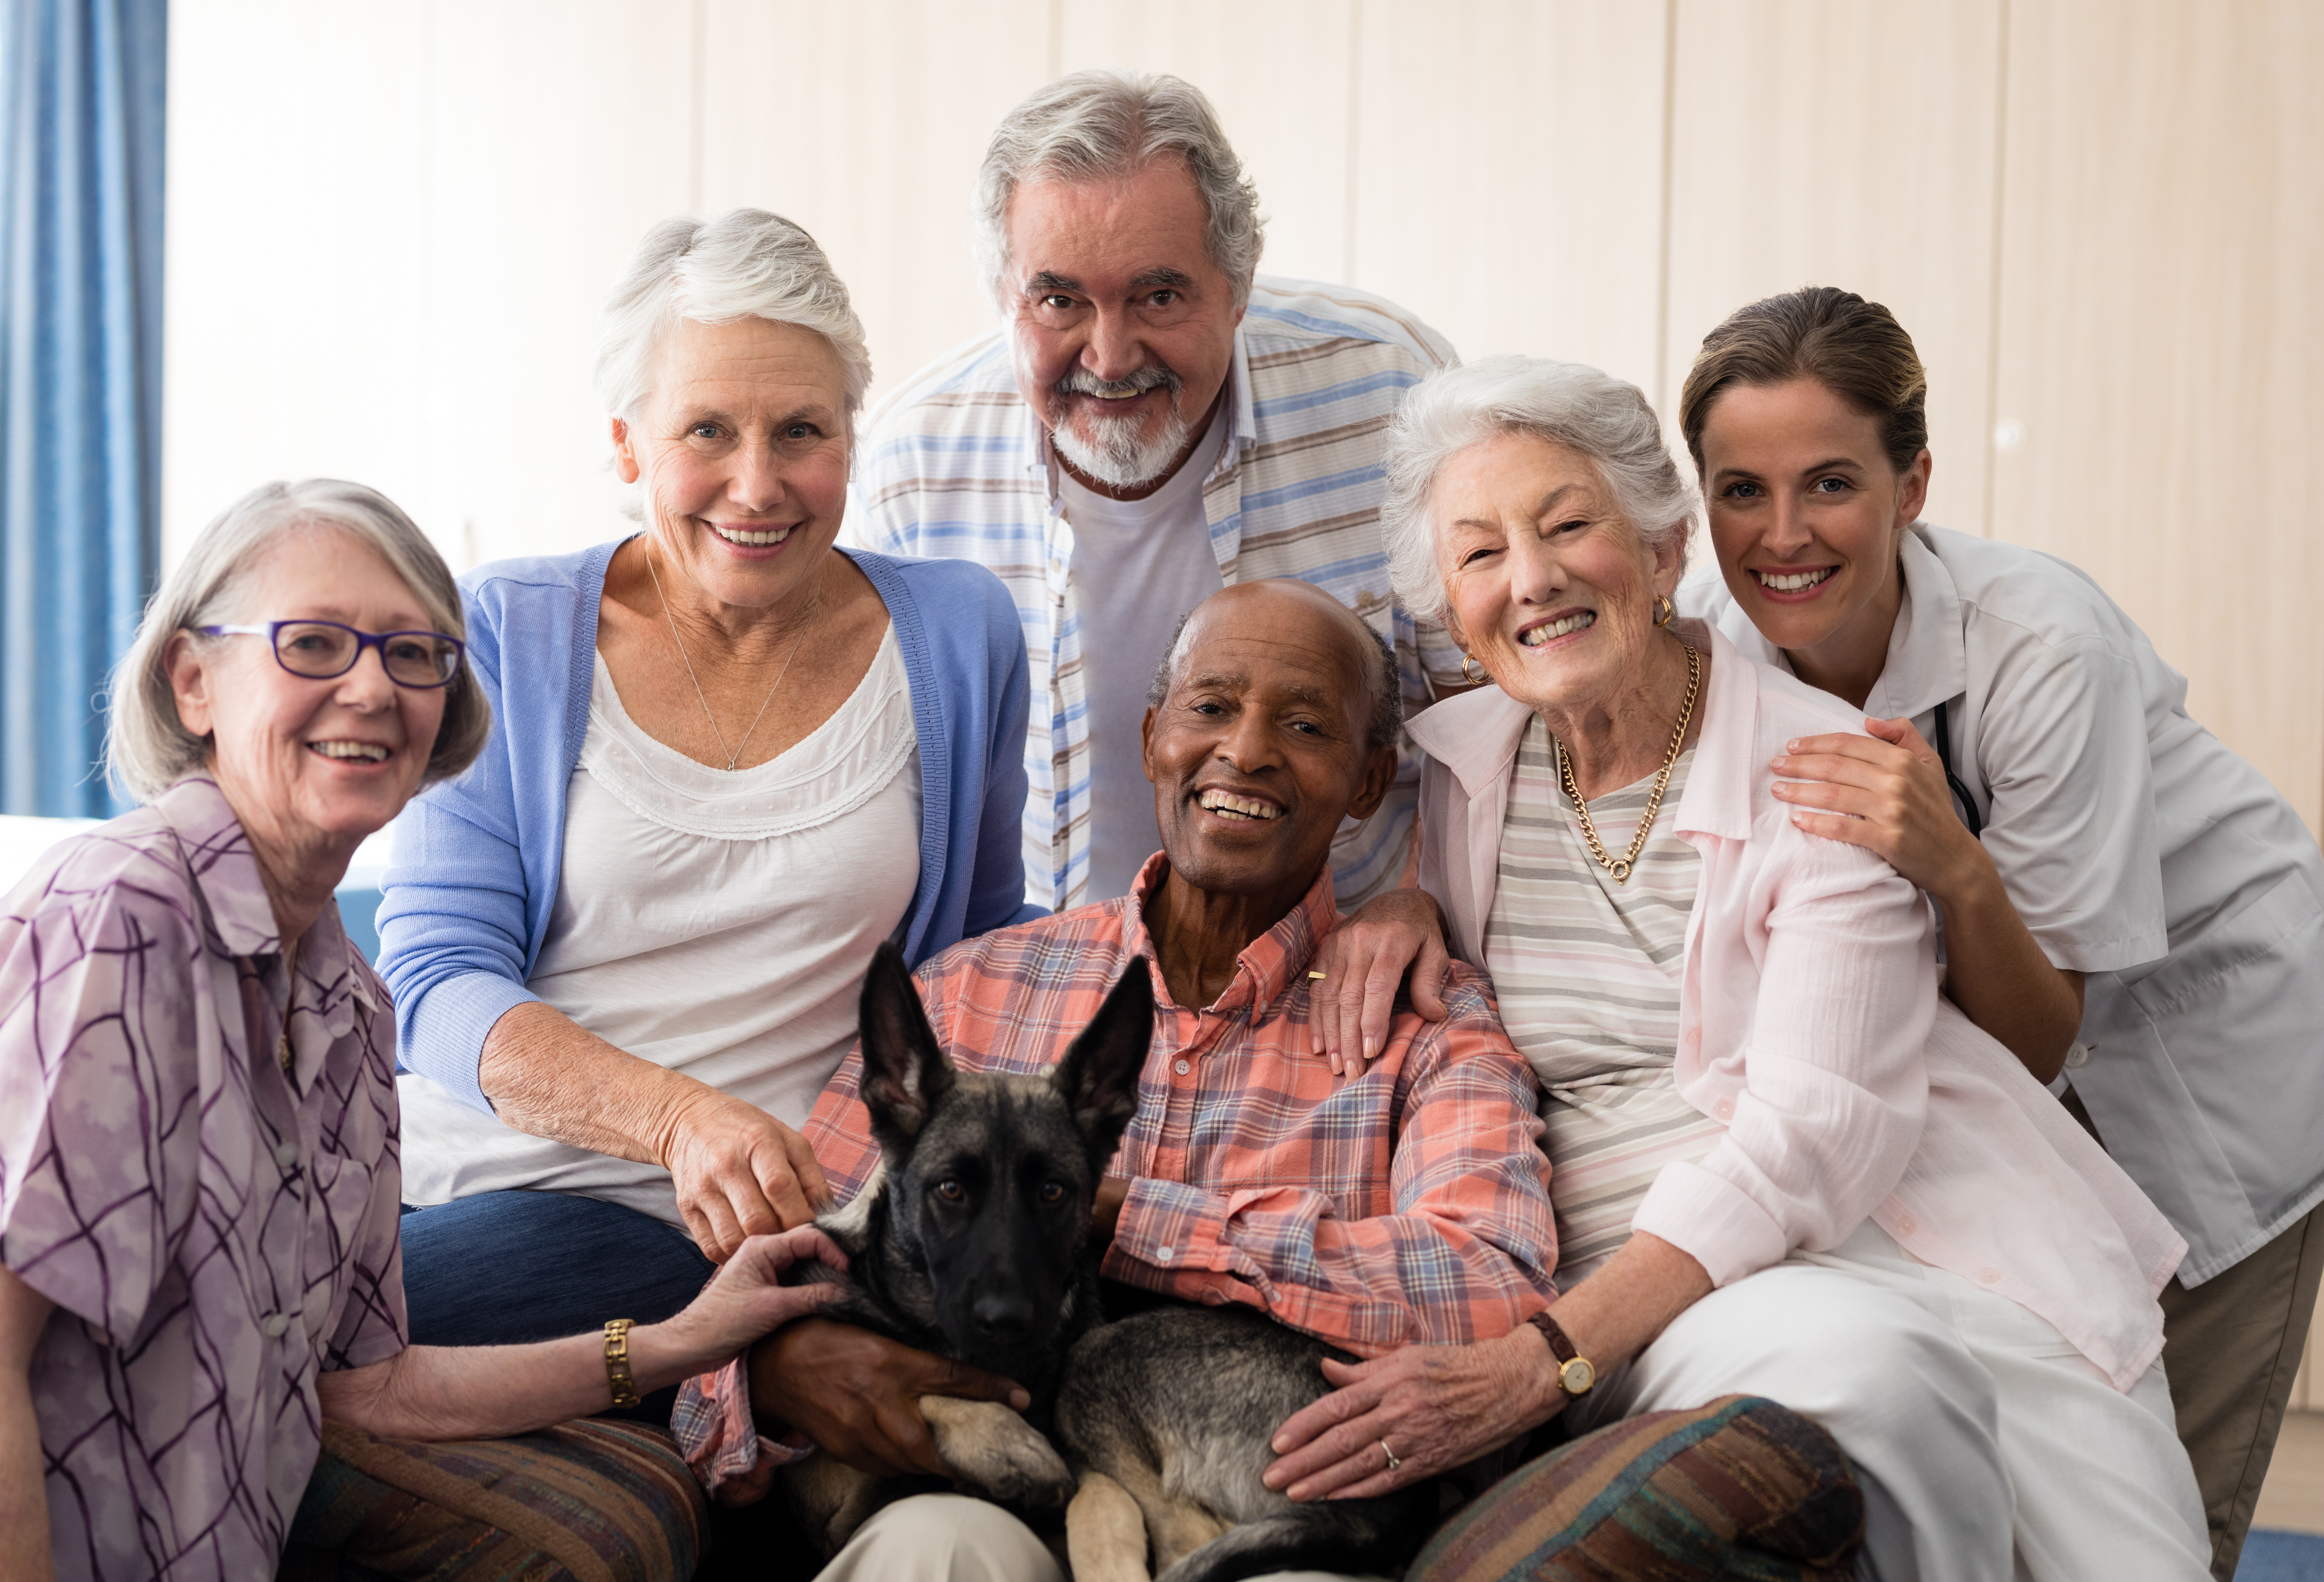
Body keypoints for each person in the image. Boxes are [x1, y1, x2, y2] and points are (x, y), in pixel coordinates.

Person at [1261, 358, 2212, 1581]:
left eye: (1567, 527)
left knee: (2090, 1528)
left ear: (1662, 552)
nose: (1534, 578)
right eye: (1482, 553)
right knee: (1871, 1368)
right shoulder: (1457, 772)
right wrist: (1406, 904)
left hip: (1895, 1228)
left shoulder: (1823, 771)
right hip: (1642, 1274)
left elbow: (1810, 1140)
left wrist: (1538, 1360)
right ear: (1452, 613)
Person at [0, 479, 846, 1582]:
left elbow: (373, 1389)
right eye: (312, 644)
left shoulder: (353, 1007)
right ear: (195, 680)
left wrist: (688, 1340)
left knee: (629, 1517)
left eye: (414, 656)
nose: (371, 687)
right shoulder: (122, 916)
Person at [1666, 285, 2324, 1578]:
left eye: (1829, 484)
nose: (1781, 537)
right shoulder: (1713, 646)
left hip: (2195, 1052)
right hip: (1973, 1082)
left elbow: (2050, 1035)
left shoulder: (2041, 644)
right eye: (1738, 491)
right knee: (2007, 1472)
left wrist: (1958, 870)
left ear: (1914, 483)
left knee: (2158, 1489)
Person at [673, 579, 1559, 1581]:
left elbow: (1496, 1297)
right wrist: (775, 1373)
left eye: (1306, 725)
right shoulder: (968, 992)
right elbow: (762, 1287)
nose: (1249, 751)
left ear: (1368, 780)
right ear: (1153, 741)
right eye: (1211, 707)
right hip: (972, 1496)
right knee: (935, 1551)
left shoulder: (1429, 1021)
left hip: (1279, 1498)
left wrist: (1126, 1217)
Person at [375, 210, 1036, 1402]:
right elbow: (435, 979)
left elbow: (981, 969)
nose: (758, 483)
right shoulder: (504, 630)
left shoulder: (958, 635)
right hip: (517, 1188)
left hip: (800, 1226)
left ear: (851, 438)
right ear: (629, 445)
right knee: (287, 1321)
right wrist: (680, 1122)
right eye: (707, 432)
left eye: (802, 431)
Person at [849, 69, 1464, 930]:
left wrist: (1420, 902)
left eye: (1159, 295)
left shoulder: (1394, 389)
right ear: (1006, 298)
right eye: (1060, 300)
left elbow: (1487, 717)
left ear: (1239, 287)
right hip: (1046, 982)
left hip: (1339, 971)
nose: (1107, 355)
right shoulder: (911, 457)